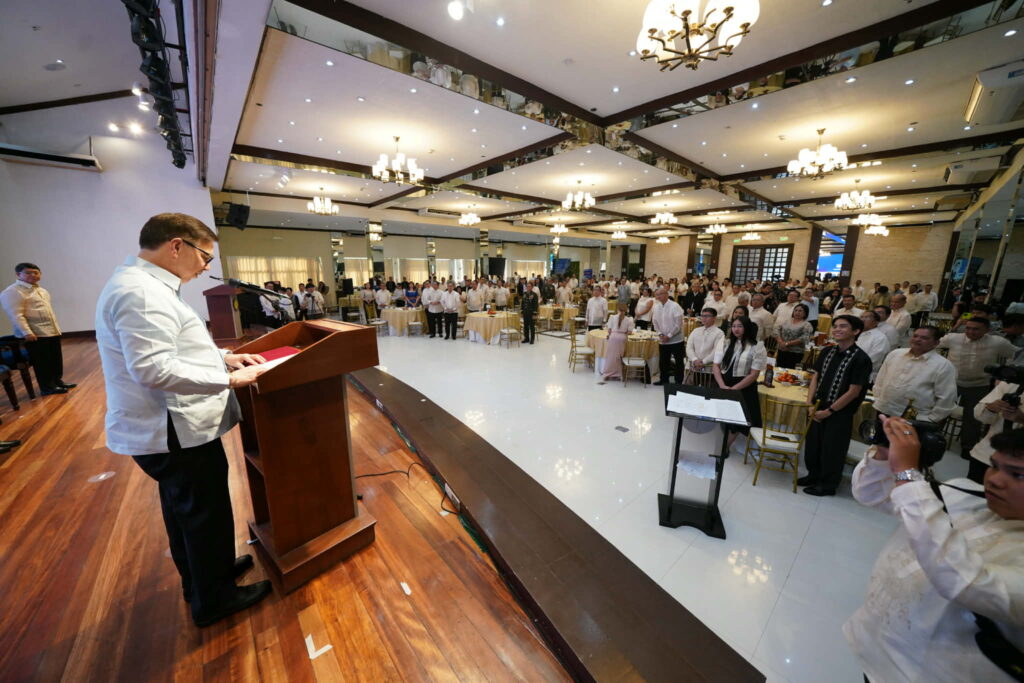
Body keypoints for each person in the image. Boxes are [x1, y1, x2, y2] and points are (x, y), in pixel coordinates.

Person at [94, 213, 272, 627]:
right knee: (203, 511)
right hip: (172, 429)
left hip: (171, 428)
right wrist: (228, 379)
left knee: (186, 509)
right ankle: (215, 599)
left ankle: (205, 577)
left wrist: (224, 357)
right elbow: (154, 369)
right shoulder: (141, 292)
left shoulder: (146, 284)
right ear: (177, 245)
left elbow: (177, 347)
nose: (206, 267)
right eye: (205, 256)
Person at [844, 420, 1024, 683]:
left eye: (1017, 475)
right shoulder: (965, 494)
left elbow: (966, 582)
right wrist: (884, 453)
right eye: (995, 466)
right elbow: (872, 495)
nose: (995, 480)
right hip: (877, 652)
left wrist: (907, 474)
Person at [800, 315, 873, 496]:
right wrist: (809, 403)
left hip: (839, 412)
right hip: (817, 406)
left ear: (856, 331)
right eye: (835, 326)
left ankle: (827, 484)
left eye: (843, 326)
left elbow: (854, 391)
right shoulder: (827, 351)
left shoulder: (861, 359)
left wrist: (829, 411)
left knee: (832, 448)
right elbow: (815, 377)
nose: (837, 329)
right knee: (813, 445)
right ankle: (813, 475)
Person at [939, 318, 1018, 459]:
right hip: (951, 382)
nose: (970, 331)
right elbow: (932, 343)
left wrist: (1006, 372)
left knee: (973, 417)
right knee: (940, 409)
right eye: (968, 328)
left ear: (987, 330)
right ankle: (933, 436)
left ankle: (967, 446)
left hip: (979, 384)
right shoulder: (953, 338)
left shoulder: (997, 342)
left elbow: (1017, 354)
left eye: (976, 329)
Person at [0, 262, 76, 395]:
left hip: (51, 330)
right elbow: (16, 315)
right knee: (42, 361)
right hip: (35, 333)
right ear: (18, 274)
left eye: (36, 272)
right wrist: (26, 332)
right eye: (28, 273)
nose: (33, 275)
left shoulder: (41, 290)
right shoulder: (13, 292)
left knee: (55, 359)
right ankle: (47, 387)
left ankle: (57, 381)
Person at [873, 326, 958, 423]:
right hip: (883, 410)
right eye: (915, 336)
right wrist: (878, 399)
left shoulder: (943, 365)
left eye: (924, 338)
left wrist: (931, 418)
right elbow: (880, 379)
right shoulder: (895, 354)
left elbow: (947, 398)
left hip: (915, 418)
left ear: (936, 343)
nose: (917, 339)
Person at [712, 317, 766, 446]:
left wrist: (735, 389)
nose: (736, 329)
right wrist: (722, 385)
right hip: (723, 383)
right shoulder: (725, 342)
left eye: (740, 326)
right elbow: (716, 366)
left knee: (740, 419)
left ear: (747, 328)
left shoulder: (757, 346)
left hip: (744, 386)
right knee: (721, 415)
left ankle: (725, 446)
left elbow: (754, 374)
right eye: (734, 326)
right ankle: (720, 443)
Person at [969, 378, 1023, 484]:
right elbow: (979, 415)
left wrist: (1021, 419)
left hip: (1017, 468)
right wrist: (991, 408)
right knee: (971, 491)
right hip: (986, 455)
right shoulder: (1012, 383)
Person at [652, 287, 685, 386]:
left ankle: (678, 381)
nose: (659, 296)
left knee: (678, 361)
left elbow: (678, 324)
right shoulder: (656, 307)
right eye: (657, 294)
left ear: (666, 294)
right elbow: (655, 322)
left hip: (676, 339)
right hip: (663, 339)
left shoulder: (675, 306)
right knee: (663, 361)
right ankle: (664, 380)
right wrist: (660, 334)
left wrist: (669, 335)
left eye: (661, 294)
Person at [685, 307, 725, 380]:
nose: (704, 318)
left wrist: (703, 362)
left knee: (706, 386)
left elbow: (716, 351)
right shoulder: (696, 330)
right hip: (693, 366)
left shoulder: (719, 333)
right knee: (689, 386)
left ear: (714, 318)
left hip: (708, 368)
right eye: (702, 316)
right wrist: (695, 360)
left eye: (707, 316)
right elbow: (689, 347)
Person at [774, 303, 813, 369]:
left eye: (800, 311)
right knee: (779, 369)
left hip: (795, 352)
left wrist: (786, 344)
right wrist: (780, 342)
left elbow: (803, 338)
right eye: (796, 310)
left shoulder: (807, 325)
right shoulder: (786, 321)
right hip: (782, 350)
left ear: (805, 313)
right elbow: (776, 330)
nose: (797, 312)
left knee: (790, 371)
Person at [856, 310, 891, 383]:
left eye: (867, 317)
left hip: (864, 376)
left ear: (876, 322)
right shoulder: (856, 334)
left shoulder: (880, 338)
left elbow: (871, 361)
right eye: (861, 317)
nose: (862, 319)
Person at [602, 303, 635, 381]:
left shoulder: (612, 317)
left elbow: (609, 330)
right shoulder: (629, 319)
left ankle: (607, 373)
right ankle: (618, 374)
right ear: (626, 310)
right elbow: (630, 332)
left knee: (610, 357)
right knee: (619, 357)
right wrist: (624, 332)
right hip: (622, 338)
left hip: (613, 337)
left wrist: (609, 335)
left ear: (617, 310)